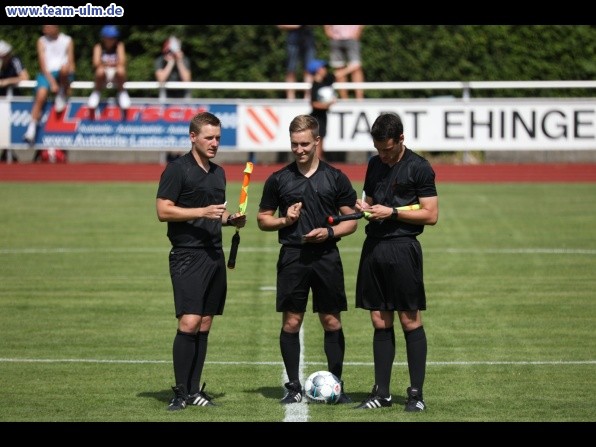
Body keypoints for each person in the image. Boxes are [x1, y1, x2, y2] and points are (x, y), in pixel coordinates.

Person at [256, 114, 358, 405]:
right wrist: (285, 220)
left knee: (331, 321)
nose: (299, 150)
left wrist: (328, 232)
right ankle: (292, 386)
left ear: (317, 141)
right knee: (291, 322)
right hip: (292, 257)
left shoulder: (336, 177)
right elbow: (263, 220)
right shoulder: (279, 179)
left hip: (327, 256)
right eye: (294, 144)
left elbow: (351, 222)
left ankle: (336, 384)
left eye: (304, 144)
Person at [156, 111, 247, 411]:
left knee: (205, 323)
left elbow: (216, 211)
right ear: (193, 137)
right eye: (209, 137)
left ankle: (195, 390)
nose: (214, 143)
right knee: (190, 320)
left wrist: (230, 219)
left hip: (214, 254)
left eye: (218, 138)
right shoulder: (176, 169)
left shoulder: (218, 172)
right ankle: (180, 392)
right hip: (187, 254)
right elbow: (163, 211)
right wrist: (201, 213)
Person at [353, 112, 438, 412]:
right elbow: (370, 200)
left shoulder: (419, 167)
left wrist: (393, 213)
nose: (383, 156)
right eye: (378, 149)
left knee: (409, 319)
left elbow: (431, 214)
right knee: (379, 319)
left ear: (401, 139)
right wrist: (362, 207)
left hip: (403, 248)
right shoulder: (374, 163)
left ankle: (416, 394)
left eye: (388, 149)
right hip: (374, 246)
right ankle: (382, 393)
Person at [24, 25, 75, 146]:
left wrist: (69, 81)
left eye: (48, 26)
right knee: (41, 95)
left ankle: (61, 94)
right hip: (46, 72)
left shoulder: (67, 40)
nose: (44, 29)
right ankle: (31, 129)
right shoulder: (41, 41)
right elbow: (43, 65)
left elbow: (71, 63)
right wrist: (52, 83)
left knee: (64, 69)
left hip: (63, 72)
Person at [307, 59, 354, 162]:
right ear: (317, 70)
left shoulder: (327, 80)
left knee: (321, 139)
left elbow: (338, 74)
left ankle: (318, 160)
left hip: (323, 116)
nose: (325, 69)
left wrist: (350, 68)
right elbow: (314, 103)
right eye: (322, 67)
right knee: (318, 140)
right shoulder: (315, 85)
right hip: (316, 117)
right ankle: (316, 161)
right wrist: (327, 105)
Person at [155, 36, 192, 162]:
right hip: (166, 100)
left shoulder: (184, 60)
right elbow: (161, 79)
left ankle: (179, 154)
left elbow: (187, 79)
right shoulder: (160, 60)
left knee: (182, 126)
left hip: (182, 99)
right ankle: (168, 154)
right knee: (167, 126)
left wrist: (179, 62)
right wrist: (170, 63)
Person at [87, 25, 130, 112]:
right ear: (104, 38)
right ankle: (96, 93)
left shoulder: (119, 46)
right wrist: (112, 63)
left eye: (114, 38)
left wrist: (106, 63)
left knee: (121, 70)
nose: (112, 40)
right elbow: (96, 63)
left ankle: (122, 92)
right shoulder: (98, 47)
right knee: (100, 71)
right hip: (103, 75)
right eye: (110, 38)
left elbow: (122, 61)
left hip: (116, 74)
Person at [0, 39, 30, 162]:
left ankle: (8, 153)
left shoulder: (14, 61)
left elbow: (25, 77)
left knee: (7, 129)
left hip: (11, 100)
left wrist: (7, 82)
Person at [324, 25, 365, 100]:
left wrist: (358, 32)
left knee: (356, 68)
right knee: (339, 68)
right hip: (335, 38)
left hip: (352, 37)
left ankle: (360, 99)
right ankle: (344, 100)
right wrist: (328, 31)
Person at [277, 25, 316, 100]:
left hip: (308, 40)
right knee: (291, 70)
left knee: (309, 70)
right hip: (293, 41)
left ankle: (308, 96)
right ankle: (290, 97)